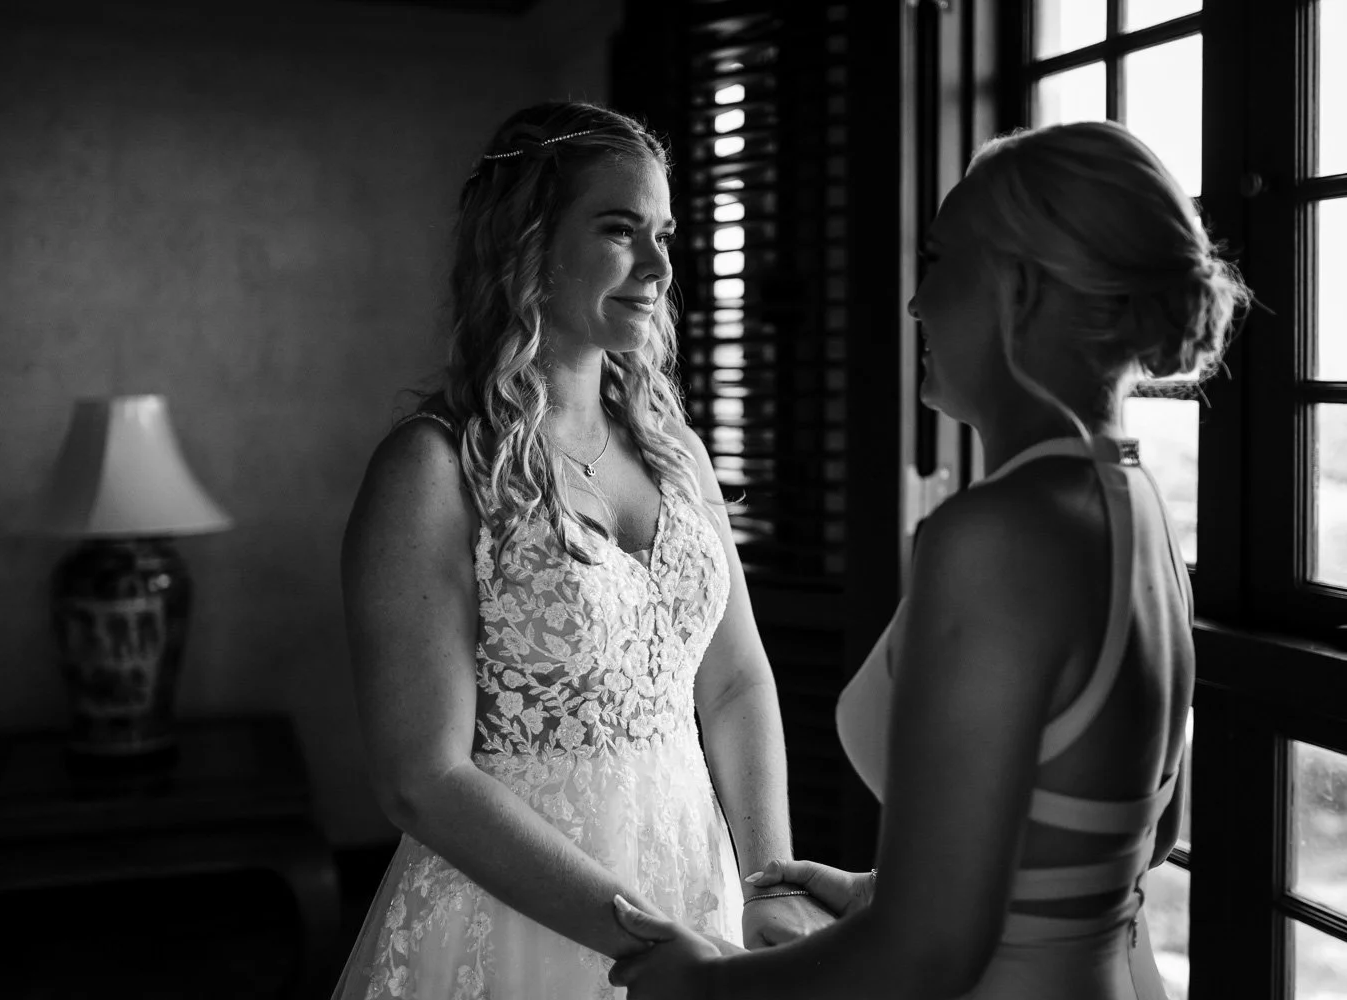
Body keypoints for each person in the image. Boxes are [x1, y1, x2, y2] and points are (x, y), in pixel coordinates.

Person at [609, 119, 1250, 999]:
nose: (915, 303)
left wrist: (704, 986)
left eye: (939, 261)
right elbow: (1136, 834)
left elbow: (925, 956)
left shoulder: (995, 536)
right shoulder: (1134, 505)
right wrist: (887, 890)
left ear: (1017, 288)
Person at [330, 101, 833, 999]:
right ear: (526, 244)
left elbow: (734, 677)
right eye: (618, 230)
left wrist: (771, 883)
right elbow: (422, 777)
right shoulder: (432, 468)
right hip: (514, 917)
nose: (658, 266)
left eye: (665, 234)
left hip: (698, 884)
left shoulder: (674, 449)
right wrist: (640, 936)